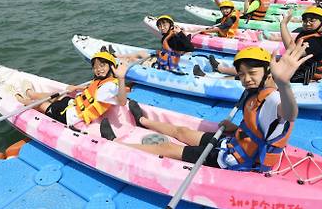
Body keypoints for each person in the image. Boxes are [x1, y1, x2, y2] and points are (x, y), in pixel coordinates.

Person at [125, 44, 311, 171]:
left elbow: (290, 113)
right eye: (242, 74)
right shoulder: (255, 93)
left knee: (167, 148)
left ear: (267, 72)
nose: (246, 78)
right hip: (231, 144)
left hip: (234, 160)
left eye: (252, 73)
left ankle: (117, 146)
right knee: (181, 131)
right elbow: (261, 129)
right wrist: (237, 129)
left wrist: (284, 83)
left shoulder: (273, 98)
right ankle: (143, 120)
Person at [15, 51, 127, 139]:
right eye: (96, 67)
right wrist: (77, 88)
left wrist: (121, 78)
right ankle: (31, 93)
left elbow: (122, 102)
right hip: (73, 104)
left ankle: (23, 101)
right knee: (55, 95)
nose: (98, 70)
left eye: (102, 65)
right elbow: (92, 92)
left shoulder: (110, 87)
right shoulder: (103, 81)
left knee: (42, 105)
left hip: (70, 117)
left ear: (111, 66)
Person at [281, 6, 322, 84]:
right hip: (298, 72)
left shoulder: (321, 41)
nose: (307, 23)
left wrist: (283, 25)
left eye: (312, 21)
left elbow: (293, 52)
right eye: (305, 21)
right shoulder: (311, 34)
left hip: (305, 79)